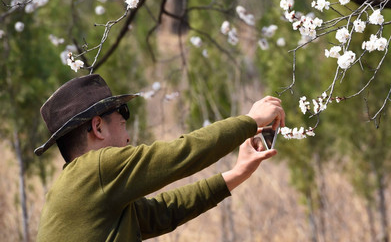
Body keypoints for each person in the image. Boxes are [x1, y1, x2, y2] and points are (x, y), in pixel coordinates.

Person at [34, 74, 285, 241]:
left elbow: (162, 213)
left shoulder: (83, 188)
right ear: (98, 127)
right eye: (123, 120)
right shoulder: (95, 169)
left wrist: (237, 173)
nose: (129, 139)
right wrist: (250, 122)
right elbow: (182, 154)